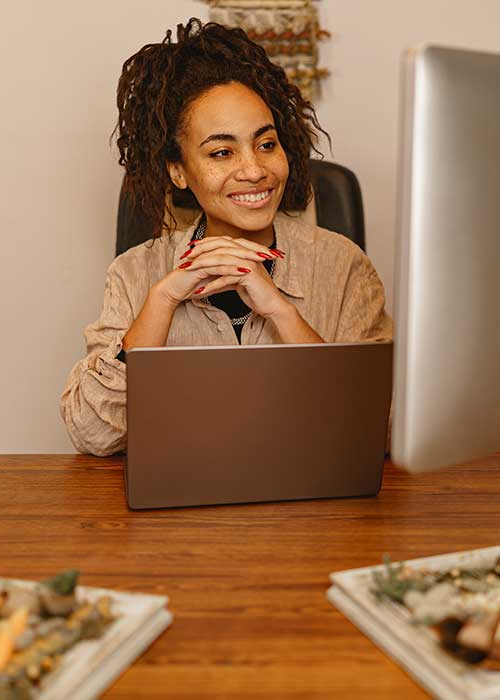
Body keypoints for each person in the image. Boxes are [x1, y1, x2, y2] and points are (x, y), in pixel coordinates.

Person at [61, 19, 391, 456]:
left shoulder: (343, 264)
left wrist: (280, 309)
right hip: (180, 516)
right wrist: (160, 303)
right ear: (178, 171)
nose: (254, 169)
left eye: (266, 144)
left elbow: (378, 430)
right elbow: (93, 435)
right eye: (222, 152)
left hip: (312, 512)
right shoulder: (134, 272)